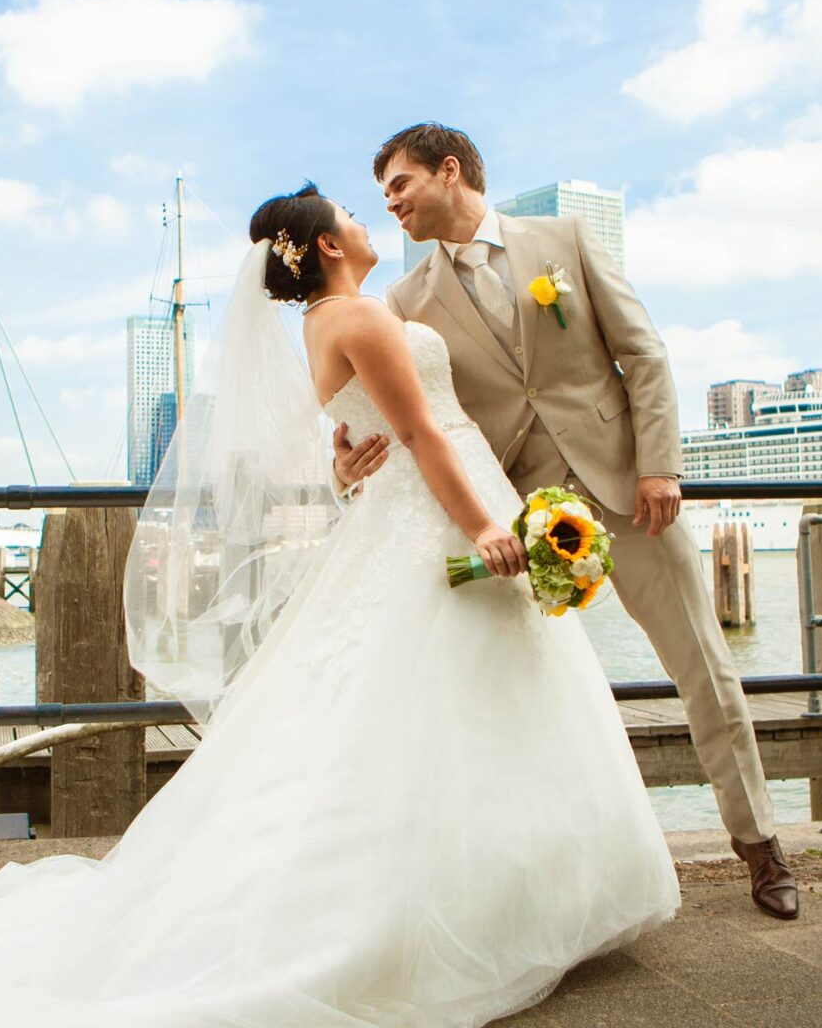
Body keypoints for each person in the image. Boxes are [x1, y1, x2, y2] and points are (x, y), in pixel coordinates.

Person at [0, 183, 680, 1025]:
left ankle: (493, 900)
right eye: (347, 209)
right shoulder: (364, 318)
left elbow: (351, 440)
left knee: (418, 715)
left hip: (404, 519)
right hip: (444, 515)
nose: (359, 211)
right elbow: (422, 433)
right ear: (329, 244)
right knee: (456, 710)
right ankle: (484, 910)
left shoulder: (319, 327)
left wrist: (346, 462)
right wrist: (483, 530)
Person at [335, 123, 797, 919]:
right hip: (520, 527)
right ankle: (546, 880)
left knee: (707, 670)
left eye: (401, 184)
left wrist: (660, 465)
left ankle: (760, 848)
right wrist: (342, 467)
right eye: (383, 195)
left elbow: (643, 355)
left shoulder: (566, 239)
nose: (392, 204)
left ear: (451, 171)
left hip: (630, 497)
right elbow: (401, 423)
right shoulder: (404, 305)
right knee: (529, 699)